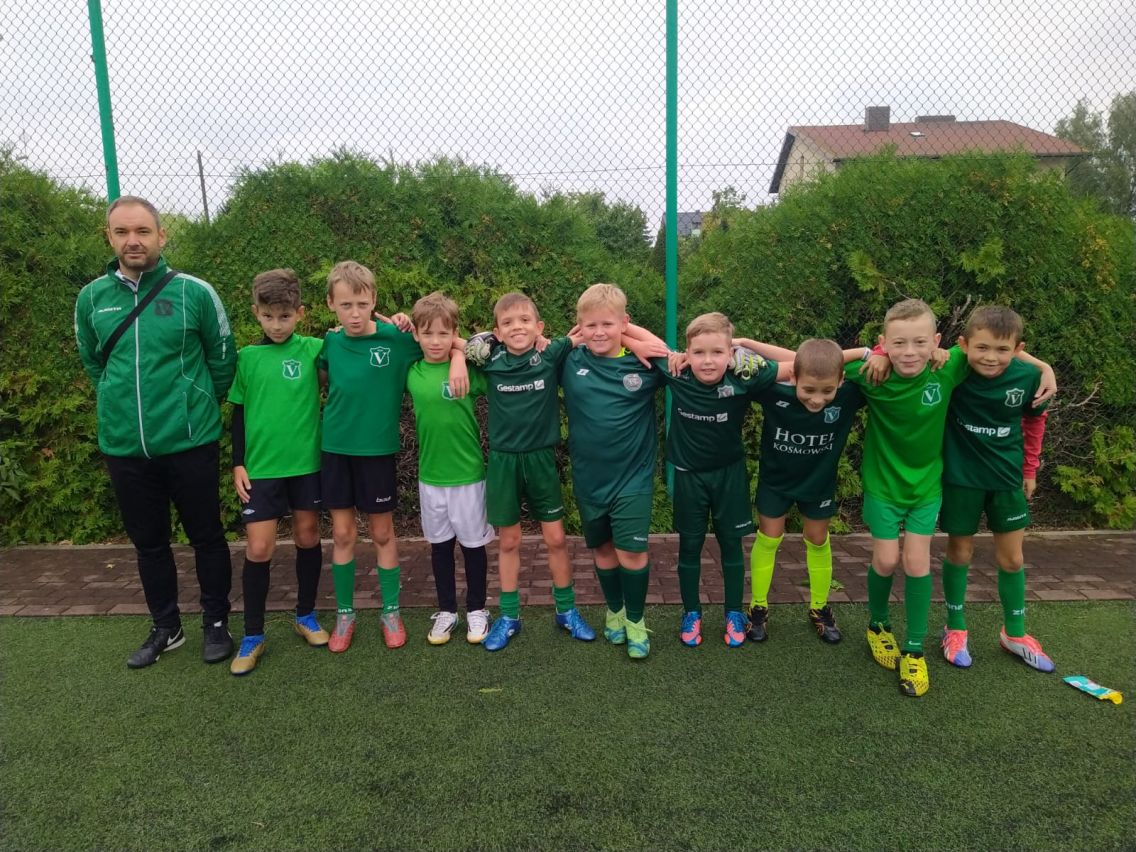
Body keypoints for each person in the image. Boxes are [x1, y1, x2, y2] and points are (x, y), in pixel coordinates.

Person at [846, 298, 1054, 697]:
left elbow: (1001, 353)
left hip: (939, 486)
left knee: (924, 562)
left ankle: (917, 649)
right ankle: (885, 625)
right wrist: (871, 353)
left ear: (937, 342)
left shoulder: (951, 366)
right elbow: (814, 363)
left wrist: (1045, 368)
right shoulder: (885, 371)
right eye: (899, 343)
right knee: (889, 560)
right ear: (886, 341)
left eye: (920, 343)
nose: (910, 351)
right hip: (901, 485)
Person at [75, 195, 235, 668]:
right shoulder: (91, 299)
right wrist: (118, 404)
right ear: (109, 237)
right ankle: (167, 627)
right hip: (125, 446)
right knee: (149, 544)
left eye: (143, 231)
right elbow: (94, 362)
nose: (133, 240)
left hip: (190, 440)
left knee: (207, 536)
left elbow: (222, 359)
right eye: (122, 232)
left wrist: (194, 406)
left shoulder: (194, 292)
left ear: (161, 236)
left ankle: (216, 622)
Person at [317, 261, 467, 653]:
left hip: (377, 452)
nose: (354, 313)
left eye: (361, 304)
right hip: (335, 450)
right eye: (345, 305)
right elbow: (321, 379)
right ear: (331, 304)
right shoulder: (330, 342)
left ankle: (390, 612)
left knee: (382, 534)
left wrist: (457, 357)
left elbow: (448, 339)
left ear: (374, 301)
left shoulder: (396, 339)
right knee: (343, 534)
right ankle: (345, 614)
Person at [465, 292, 594, 651]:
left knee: (556, 539)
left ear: (539, 327)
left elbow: (587, 332)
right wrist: (461, 358)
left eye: (524, 320)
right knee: (509, 541)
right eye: (507, 323)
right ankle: (509, 617)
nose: (517, 327)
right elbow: (447, 344)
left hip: (540, 460)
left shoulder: (550, 354)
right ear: (497, 333)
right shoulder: (490, 361)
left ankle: (566, 611)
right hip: (503, 462)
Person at [655, 313, 789, 648]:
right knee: (689, 546)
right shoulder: (677, 372)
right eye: (698, 352)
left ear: (730, 354)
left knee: (731, 545)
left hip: (729, 476)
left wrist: (746, 344)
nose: (707, 361)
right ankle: (691, 613)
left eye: (717, 352)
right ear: (687, 353)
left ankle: (733, 612)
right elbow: (630, 336)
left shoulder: (744, 377)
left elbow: (803, 363)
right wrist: (672, 354)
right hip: (688, 477)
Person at [937, 306, 1054, 672]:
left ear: (1018, 349)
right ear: (964, 345)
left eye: (1002, 350)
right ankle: (955, 628)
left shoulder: (1030, 377)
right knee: (960, 552)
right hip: (961, 477)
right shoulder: (953, 368)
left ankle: (1014, 634)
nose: (991, 357)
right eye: (982, 348)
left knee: (1013, 559)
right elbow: (913, 350)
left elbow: (1035, 421)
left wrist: (1030, 468)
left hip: (1006, 478)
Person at [228, 269, 328, 676]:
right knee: (259, 548)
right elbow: (238, 414)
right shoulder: (247, 358)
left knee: (308, 536)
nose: (277, 325)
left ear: (300, 313)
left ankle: (306, 615)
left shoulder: (316, 350)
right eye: (268, 316)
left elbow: (356, 348)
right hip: (261, 470)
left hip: (307, 465)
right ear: (256, 313)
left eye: (285, 316)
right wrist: (238, 462)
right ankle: (253, 634)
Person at [560, 283, 669, 659]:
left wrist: (631, 339)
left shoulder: (643, 363)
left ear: (624, 322)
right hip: (589, 479)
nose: (599, 332)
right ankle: (615, 611)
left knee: (631, 553)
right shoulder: (569, 361)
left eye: (608, 324)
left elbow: (666, 351)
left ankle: (636, 622)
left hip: (632, 479)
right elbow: (543, 348)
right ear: (579, 327)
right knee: (603, 549)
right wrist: (576, 337)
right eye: (590, 325)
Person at [737, 338, 865, 645]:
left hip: (818, 484)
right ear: (792, 377)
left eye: (827, 390)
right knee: (768, 538)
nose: (817, 399)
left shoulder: (850, 394)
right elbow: (771, 367)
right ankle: (758, 607)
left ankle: (819, 607)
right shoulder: (774, 391)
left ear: (841, 381)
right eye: (808, 389)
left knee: (818, 540)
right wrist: (743, 343)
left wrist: (868, 353)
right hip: (775, 482)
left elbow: (879, 365)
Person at [405, 292, 494, 645]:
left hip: (468, 475)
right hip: (431, 477)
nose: (435, 341)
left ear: (455, 333)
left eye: (444, 333)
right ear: (416, 334)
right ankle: (447, 611)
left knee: (473, 547)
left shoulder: (469, 370)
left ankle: (476, 610)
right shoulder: (411, 371)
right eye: (427, 333)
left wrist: (459, 355)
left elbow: (492, 351)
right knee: (440, 548)